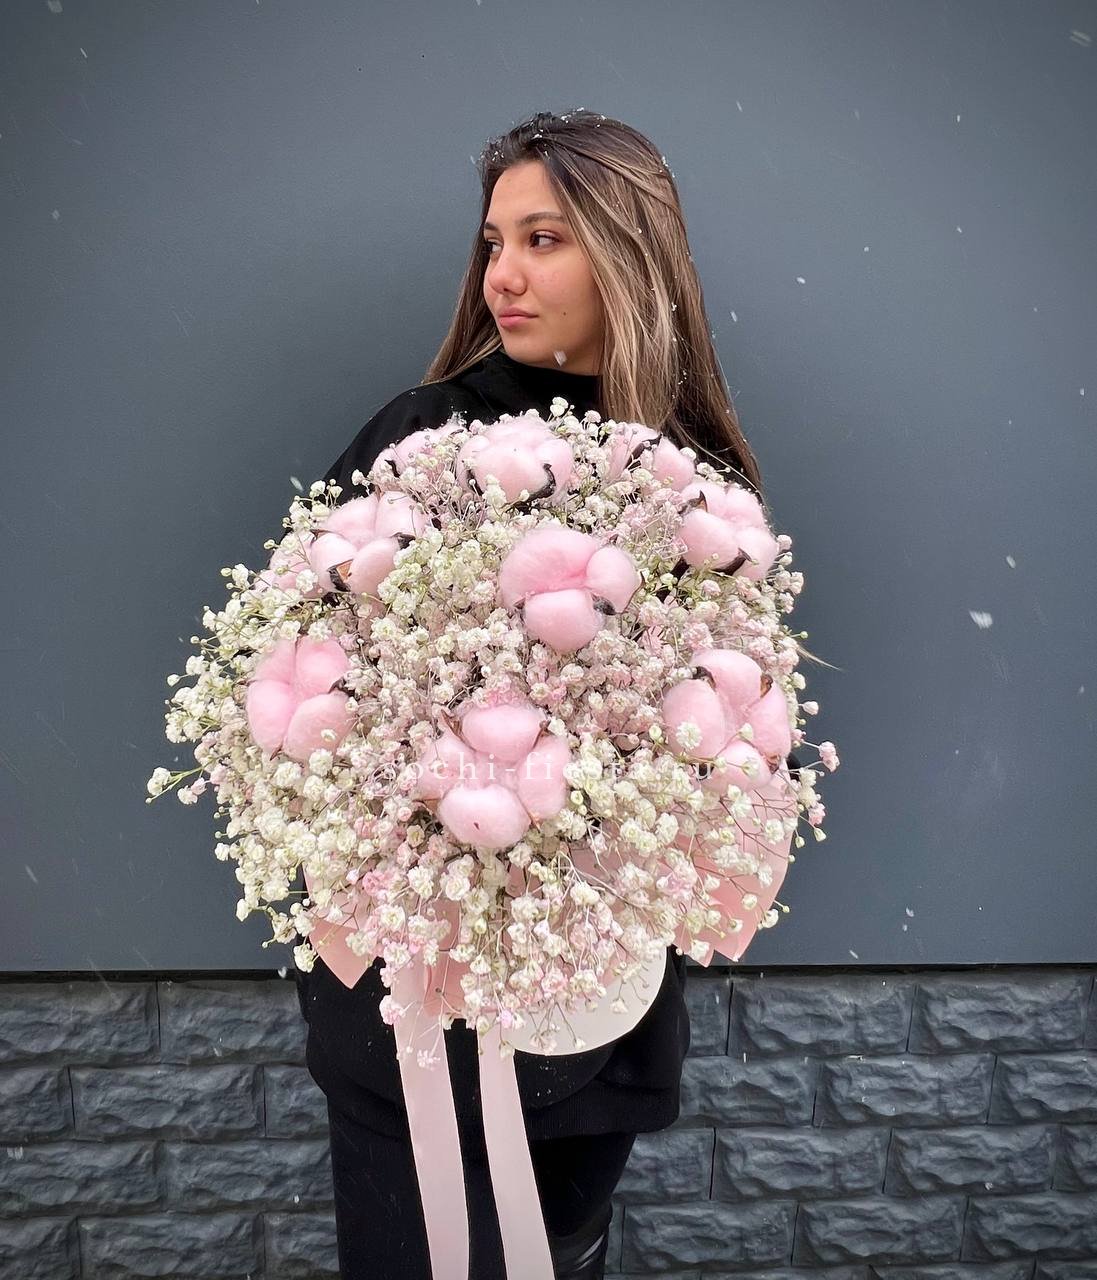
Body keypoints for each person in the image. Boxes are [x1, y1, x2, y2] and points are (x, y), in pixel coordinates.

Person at [290, 108, 792, 1279]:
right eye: (492, 242)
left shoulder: (691, 474)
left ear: (628, 255)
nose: (502, 275)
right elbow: (304, 679)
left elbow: (737, 729)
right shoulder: (420, 435)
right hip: (414, 1007)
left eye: (543, 239)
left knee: (560, 1254)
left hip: (593, 1015)